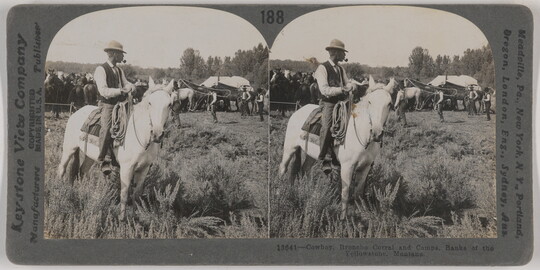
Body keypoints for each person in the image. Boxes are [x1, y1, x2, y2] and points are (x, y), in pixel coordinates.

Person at [94, 40, 135, 175]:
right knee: (106, 128)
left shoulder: (119, 69)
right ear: (112, 54)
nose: (122, 57)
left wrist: (130, 87)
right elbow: (103, 91)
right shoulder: (101, 69)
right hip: (107, 104)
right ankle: (103, 160)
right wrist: (121, 91)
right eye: (120, 54)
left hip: (120, 104)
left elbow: (127, 83)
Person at [313, 39, 354, 174]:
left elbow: (346, 83)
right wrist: (341, 90)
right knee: (327, 126)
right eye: (342, 53)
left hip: (341, 102)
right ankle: (324, 157)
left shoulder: (341, 69)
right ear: (335, 53)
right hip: (328, 103)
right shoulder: (322, 68)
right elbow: (324, 90)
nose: (344, 56)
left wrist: (351, 86)